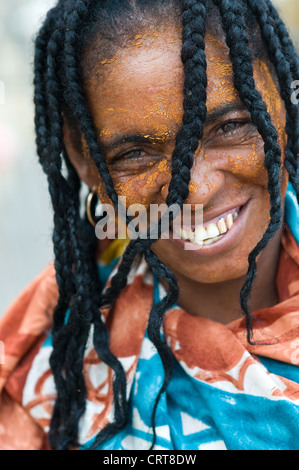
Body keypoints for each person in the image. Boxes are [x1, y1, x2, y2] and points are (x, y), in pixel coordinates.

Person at [0, 0, 299, 451]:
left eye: (231, 126)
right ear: (86, 165)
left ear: (284, 103)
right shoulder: (49, 363)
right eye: (135, 154)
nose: (194, 191)